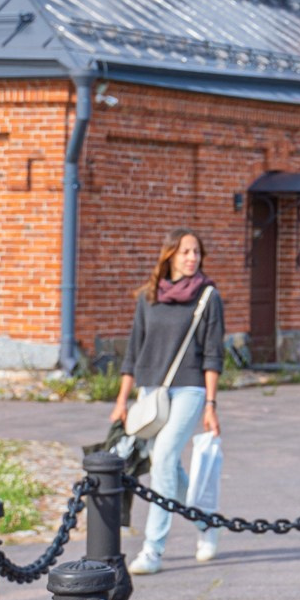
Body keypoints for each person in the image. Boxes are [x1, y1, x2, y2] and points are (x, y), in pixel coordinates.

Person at [112, 229, 226, 576]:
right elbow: (133, 351)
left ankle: (152, 550)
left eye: (196, 252)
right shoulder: (150, 296)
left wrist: (210, 404)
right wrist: (122, 400)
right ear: (169, 256)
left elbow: (212, 354)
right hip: (151, 391)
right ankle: (207, 524)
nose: (192, 258)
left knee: (162, 456)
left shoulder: (207, 296)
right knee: (168, 468)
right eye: (185, 252)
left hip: (190, 388)